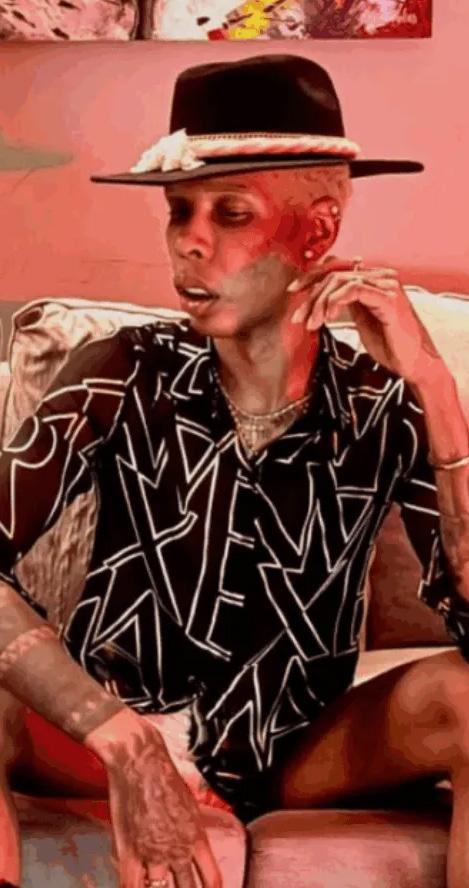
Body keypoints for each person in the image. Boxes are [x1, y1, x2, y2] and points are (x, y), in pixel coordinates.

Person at [0, 53, 468, 888]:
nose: (190, 240)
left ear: (316, 233)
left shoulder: (384, 405)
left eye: (231, 213)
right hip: (102, 733)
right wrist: (121, 738)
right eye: (178, 211)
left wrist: (433, 386)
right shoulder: (121, 370)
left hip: (296, 750)